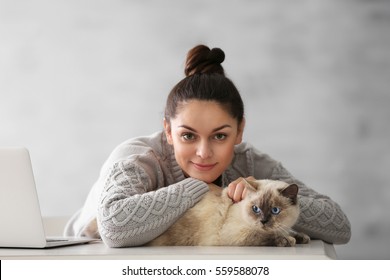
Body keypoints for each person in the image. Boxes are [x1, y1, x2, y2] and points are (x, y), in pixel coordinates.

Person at [64, 45, 351, 247]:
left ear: (239, 131)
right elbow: (113, 229)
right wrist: (201, 187)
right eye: (188, 135)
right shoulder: (138, 158)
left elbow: (339, 225)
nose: (204, 152)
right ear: (168, 131)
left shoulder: (248, 164)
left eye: (219, 136)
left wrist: (265, 197)